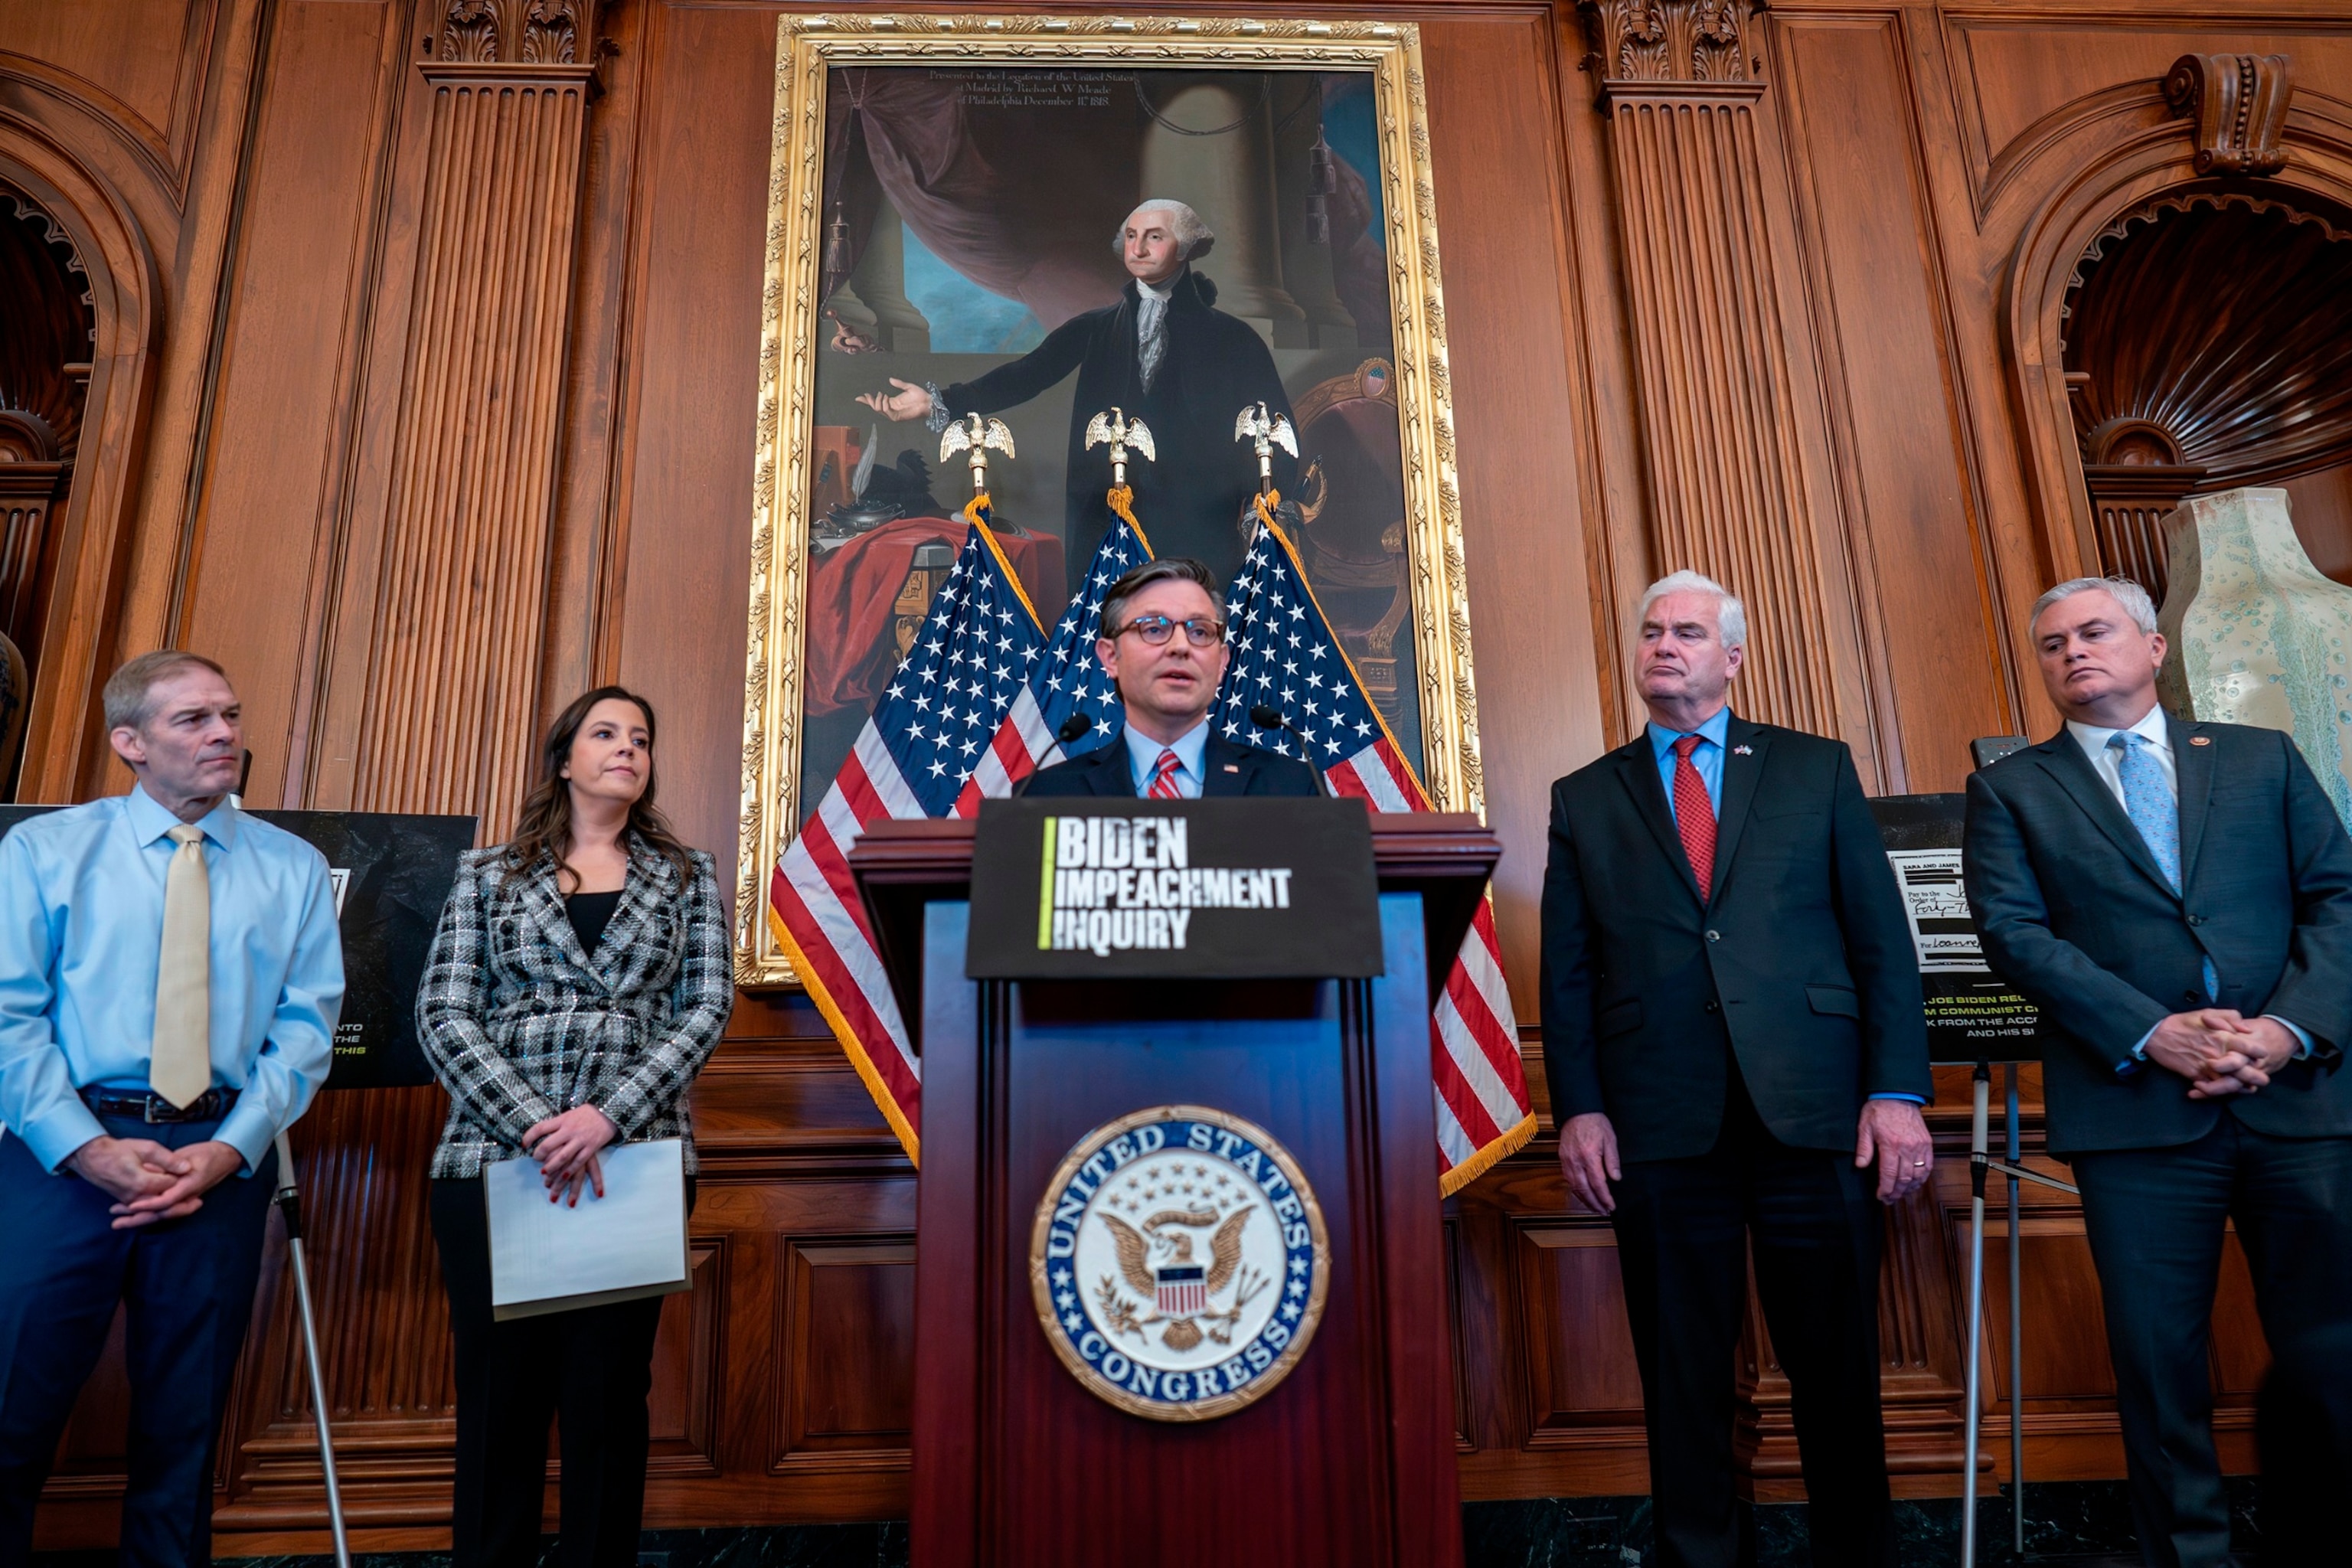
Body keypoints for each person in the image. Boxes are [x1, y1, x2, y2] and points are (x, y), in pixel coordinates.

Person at [1540, 571, 1932, 1568]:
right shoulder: (1587, 798)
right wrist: (1578, 1109)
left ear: (1734, 656)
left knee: (1837, 1372)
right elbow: (1570, 973)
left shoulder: (1816, 769)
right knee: (1682, 1377)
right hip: (1658, 1124)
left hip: (1817, 1115)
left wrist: (1895, 1092)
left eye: (1688, 633)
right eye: (1651, 632)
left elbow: (1882, 944)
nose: (1664, 646)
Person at [1963, 577, 2352, 1568]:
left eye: (2094, 633)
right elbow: (2014, 934)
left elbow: (2338, 899)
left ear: (2152, 647)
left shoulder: (2260, 760)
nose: (2073, 654)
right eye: (2052, 644)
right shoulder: (2012, 788)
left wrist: (2285, 1032)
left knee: (2336, 1352)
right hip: (2135, 1112)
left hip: (2295, 1101)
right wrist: (2153, 1030)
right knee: (2156, 1362)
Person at [0, 652, 344, 1567]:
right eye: (193, 719)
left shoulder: (295, 867)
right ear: (130, 743)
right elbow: (8, 1017)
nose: (224, 732)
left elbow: (306, 1030)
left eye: (229, 714)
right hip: (59, 1159)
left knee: (183, 1438)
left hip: (216, 1165)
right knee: (8, 1418)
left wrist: (230, 1152)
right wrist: (86, 1149)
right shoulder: (42, 851)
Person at [416, 687, 733, 1568]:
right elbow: (444, 1013)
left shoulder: (687, 873)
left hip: (632, 1160)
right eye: (606, 733)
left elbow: (706, 1007)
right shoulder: (487, 873)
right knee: (498, 1397)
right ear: (564, 759)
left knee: (605, 1400)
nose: (628, 747)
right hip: (490, 1159)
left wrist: (604, 1117)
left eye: (641, 736)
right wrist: (538, 1126)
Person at [858, 200, 1295, 591]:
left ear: (1185, 248)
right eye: (1131, 236)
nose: (1138, 247)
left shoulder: (1233, 338)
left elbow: (1275, 431)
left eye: (1155, 237)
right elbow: (1026, 374)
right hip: (1109, 515)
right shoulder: (1097, 327)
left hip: (1199, 520)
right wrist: (939, 403)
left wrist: (1258, 510)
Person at [1022, 557, 1318, 799]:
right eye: (1153, 629)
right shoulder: (1047, 795)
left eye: (1200, 631)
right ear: (1111, 657)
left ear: (1221, 663)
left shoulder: (1293, 788)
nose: (1180, 647)